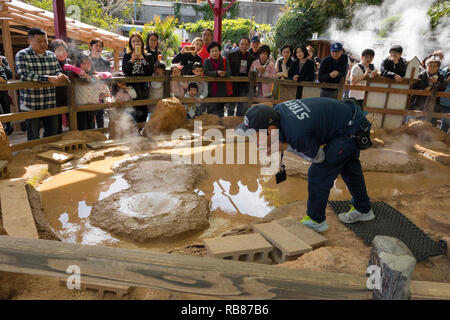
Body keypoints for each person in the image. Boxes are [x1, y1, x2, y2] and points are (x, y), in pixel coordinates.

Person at [235, 97, 375, 232]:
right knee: (349, 168)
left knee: (318, 174)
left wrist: (285, 146)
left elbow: (318, 157)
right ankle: (363, 209)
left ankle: (316, 221)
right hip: (350, 117)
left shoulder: (297, 133)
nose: (253, 139)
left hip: (351, 129)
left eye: (255, 134)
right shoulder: (277, 112)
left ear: (270, 129)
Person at [15, 28, 68, 141]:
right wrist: (48, 79)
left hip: (50, 102)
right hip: (31, 104)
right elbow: (24, 74)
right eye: (39, 41)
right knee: (33, 135)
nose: (43, 44)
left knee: (52, 132)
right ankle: (35, 156)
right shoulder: (22, 55)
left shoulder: (51, 55)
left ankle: (47, 153)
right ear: (29, 41)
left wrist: (60, 75)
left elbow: (57, 70)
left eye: (45, 41)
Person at [70, 53, 111, 130]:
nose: (86, 65)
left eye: (89, 63)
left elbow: (106, 82)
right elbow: (66, 67)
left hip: (93, 108)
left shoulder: (95, 77)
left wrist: (107, 99)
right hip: (80, 109)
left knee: (91, 128)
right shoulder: (75, 76)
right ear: (79, 64)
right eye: (83, 63)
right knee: (82, 129)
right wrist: (81, 72)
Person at [122, 32, 154, 123]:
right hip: (130, 88)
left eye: (138, 41)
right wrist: (132, 60)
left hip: (143, 88)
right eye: (133, 41)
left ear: (142, 43)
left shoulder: (148, 56)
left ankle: (141, 132)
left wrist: (142, 59)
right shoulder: (127, 55)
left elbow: (150, 72)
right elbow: (125, 71)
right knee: (131, 114)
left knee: (143, 112)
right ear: (130, 44)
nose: (136, 43)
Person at [408, 56, 446, 124]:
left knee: (430, 125)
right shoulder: (420, 75)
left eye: (434, 66)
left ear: (438, 67)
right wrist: (423, 90)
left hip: (433, 104)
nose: (432, 67)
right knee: (415, 123)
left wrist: (436, 83)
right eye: (430, 65)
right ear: (426, 66)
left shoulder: (441, 76)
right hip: (419, 103)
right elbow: (413, 88)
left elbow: (443, 88)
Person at [49, 39, 73, 134]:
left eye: (64, 50)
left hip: (68, 94)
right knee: (56, 121)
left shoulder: (69, 62)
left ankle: (74, 137)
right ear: (53, 51)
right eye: (59, 50)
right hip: (55, 95)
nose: (62, 52)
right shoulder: (50, 62)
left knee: (72, 117)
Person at [227, 36, 254, 116]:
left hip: (245, 84)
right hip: (233, 83)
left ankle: (239, 123)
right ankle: (229, 122)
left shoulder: (251, 58)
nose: (243, 46)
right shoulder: (231, 55)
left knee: (242, 105)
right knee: (231, 105)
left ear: (249, 46)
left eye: (246, 44)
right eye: (242, 44)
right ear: (239, 45)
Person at [203, 41, 231, 117]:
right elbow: (205, 72)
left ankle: (220, 128)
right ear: (209, 52)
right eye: (212, 51)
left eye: (216, 51)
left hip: (222, 91)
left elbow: (229, 72)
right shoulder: (206, 61)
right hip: (210, 91)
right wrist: (216, 73)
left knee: (220, 114)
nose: (214, 53)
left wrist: (224, 73)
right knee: (210, 114)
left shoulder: (225, 61)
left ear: (219, 51)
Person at [88, 38, 110, 129]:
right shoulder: (85, 60)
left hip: (101, 90)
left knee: (100, 113)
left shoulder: (105, 61)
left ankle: (101, 134)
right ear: (90, 47)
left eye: (100, 46)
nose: (98, 48)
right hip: (89, 91)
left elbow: (109, 75)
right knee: (90, 115)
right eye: (96, 45)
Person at [0, 54, 13, 135]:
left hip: (3, 93)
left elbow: (9, 75)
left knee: (6, 112)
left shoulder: (3, 58)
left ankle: (8, 128)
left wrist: (1, 64)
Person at [439, 64, 450, 133]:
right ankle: (442, 138)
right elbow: (440, 84)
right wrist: (447, 80)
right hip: (445, 101)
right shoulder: (445, 71)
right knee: (445, 122)